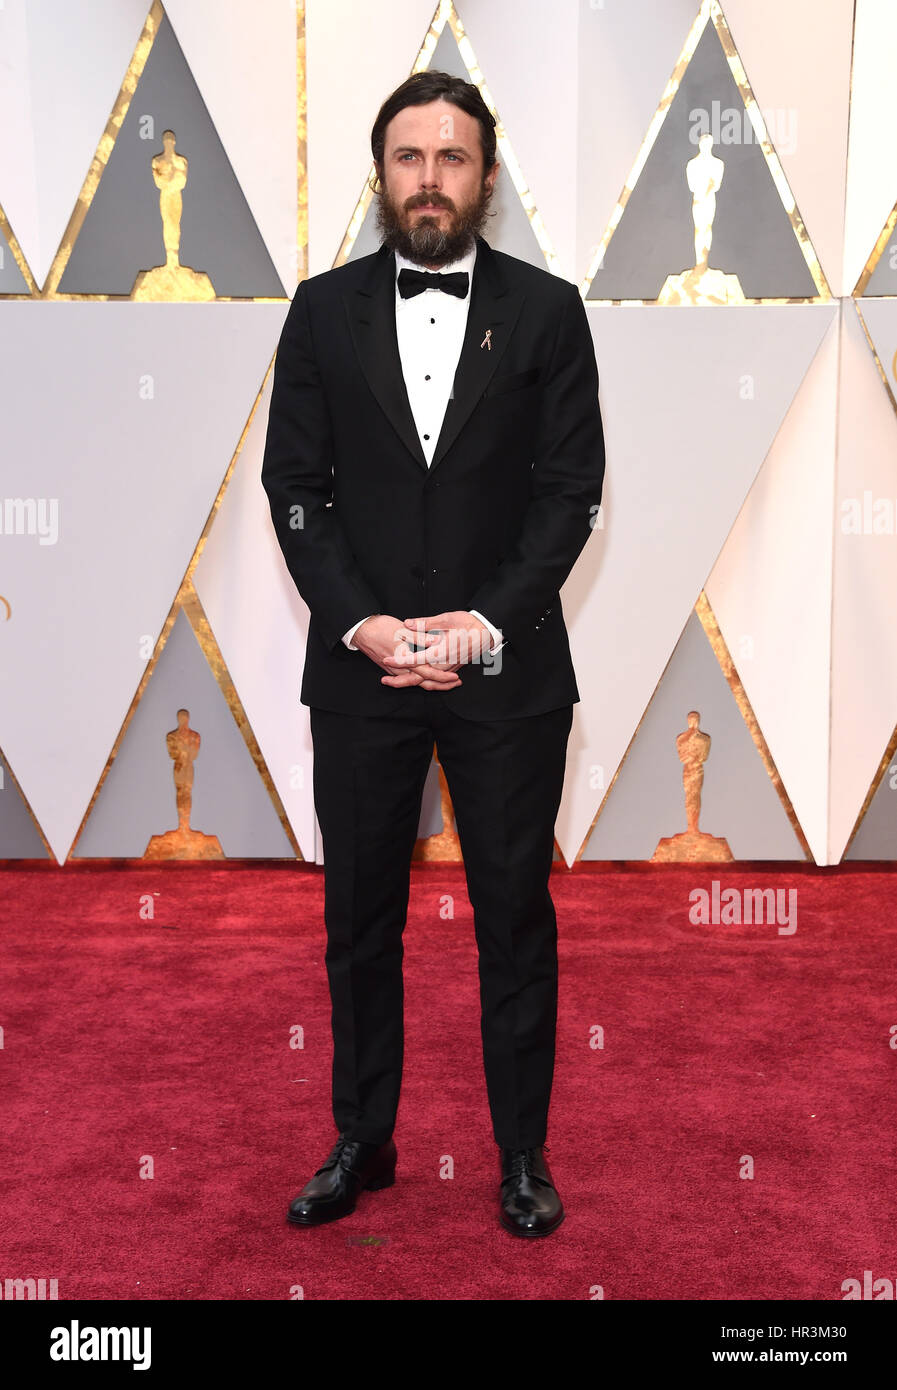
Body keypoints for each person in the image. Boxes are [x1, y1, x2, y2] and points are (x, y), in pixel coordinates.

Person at [261, 70, 605, 1238]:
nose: (429, 178)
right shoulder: (319, 310)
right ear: (380, 173)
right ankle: (364, 1139)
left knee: (514, 915)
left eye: (452, 157)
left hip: (508, 671)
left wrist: (481, 623)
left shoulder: (550, 312)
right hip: (360, 670)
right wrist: (363, 623)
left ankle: (522, 1155)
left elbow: (568, 496)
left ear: (487, 176)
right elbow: (295, 489)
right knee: (359, 916)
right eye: (409, 156)